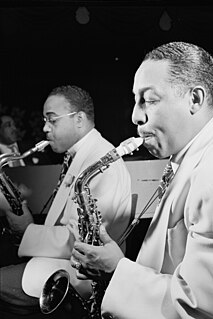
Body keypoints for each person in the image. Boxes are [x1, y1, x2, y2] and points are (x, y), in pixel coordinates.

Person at [71, 42, 213, 319]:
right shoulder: (194, 155)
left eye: (149, 99)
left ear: (194, 99)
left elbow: (201, 307)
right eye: (136, 99)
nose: (136, 115)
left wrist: (116, 270)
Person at [0, 85, 132, 315]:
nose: (44, 128)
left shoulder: (100, 162)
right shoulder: (81, 154)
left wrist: (26, 230)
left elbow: (80, 242)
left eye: (52, 120)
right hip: (60, 265)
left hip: (79, 275)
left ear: (79, 119)